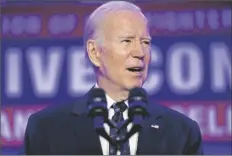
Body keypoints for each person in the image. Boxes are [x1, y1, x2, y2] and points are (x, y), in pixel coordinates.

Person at [23, 1, 204, 155]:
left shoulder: (182, 132)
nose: (140, 52)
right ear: (94, 52)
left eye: (145, 42)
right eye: (127, 41)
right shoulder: (47, 129)